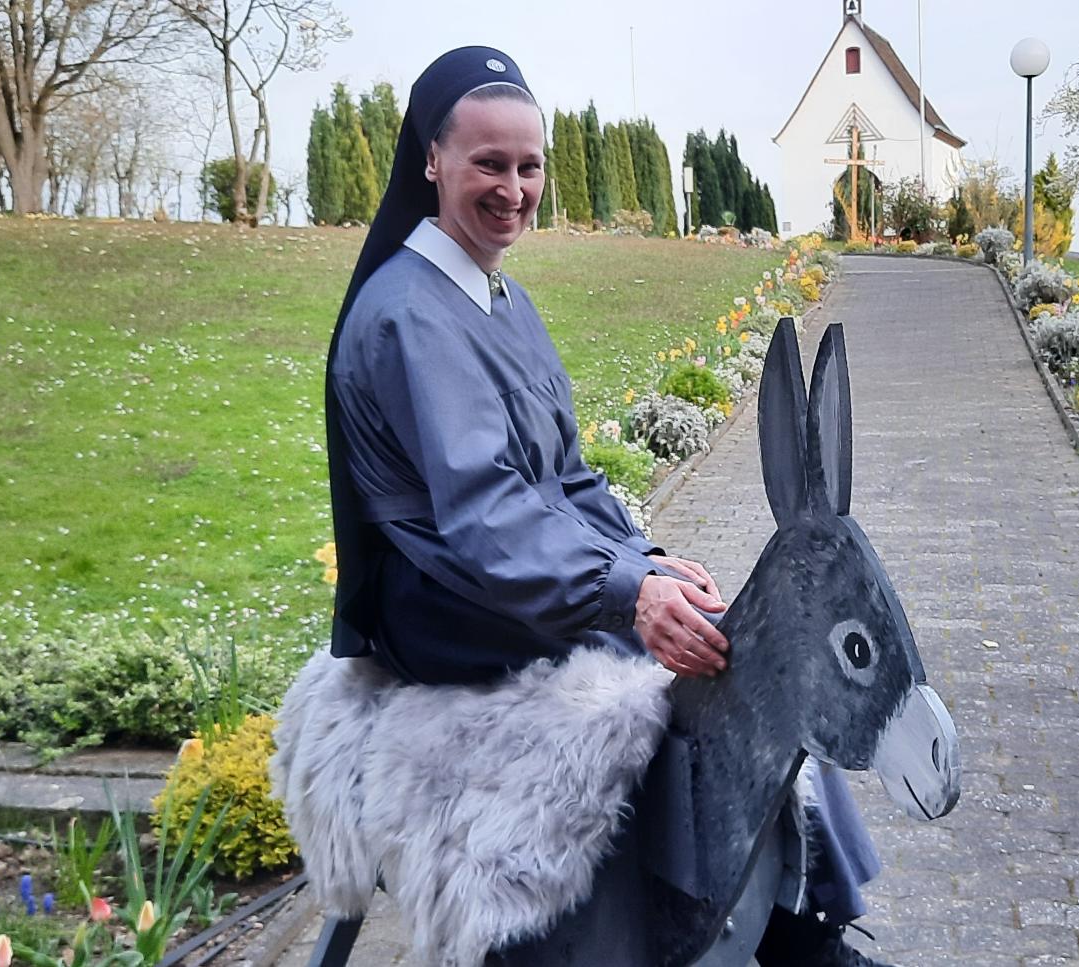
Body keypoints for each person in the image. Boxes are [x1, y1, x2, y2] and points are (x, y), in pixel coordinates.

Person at [323, 45, 891, 967]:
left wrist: (646, 557)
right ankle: (666, 935)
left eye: (529, 165)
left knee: (743, 637)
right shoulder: (406, 315)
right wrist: (625, 596)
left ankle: (797, 914)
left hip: (507, 564)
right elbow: (483, 514)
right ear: (431, 160)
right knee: (663, 672)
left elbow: (569, 474)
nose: (513, 188)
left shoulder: (501, 298)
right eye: (488, 164)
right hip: (445, 592)